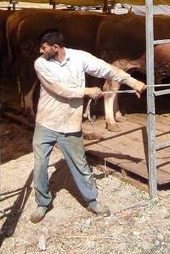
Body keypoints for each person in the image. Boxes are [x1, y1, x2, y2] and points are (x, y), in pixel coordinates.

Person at [30, 28, 147, 224]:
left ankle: (92, 200)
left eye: (44, 48)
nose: (41, 51)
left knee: (80, 163)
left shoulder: (79, 57)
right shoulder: (41, 64)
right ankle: (42, 203)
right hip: (46, 122)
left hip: (70, 123)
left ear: (55, 47)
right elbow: (59, 89)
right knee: (40, 163)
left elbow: (106, 68)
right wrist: (88, 91)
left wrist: (132, 81)